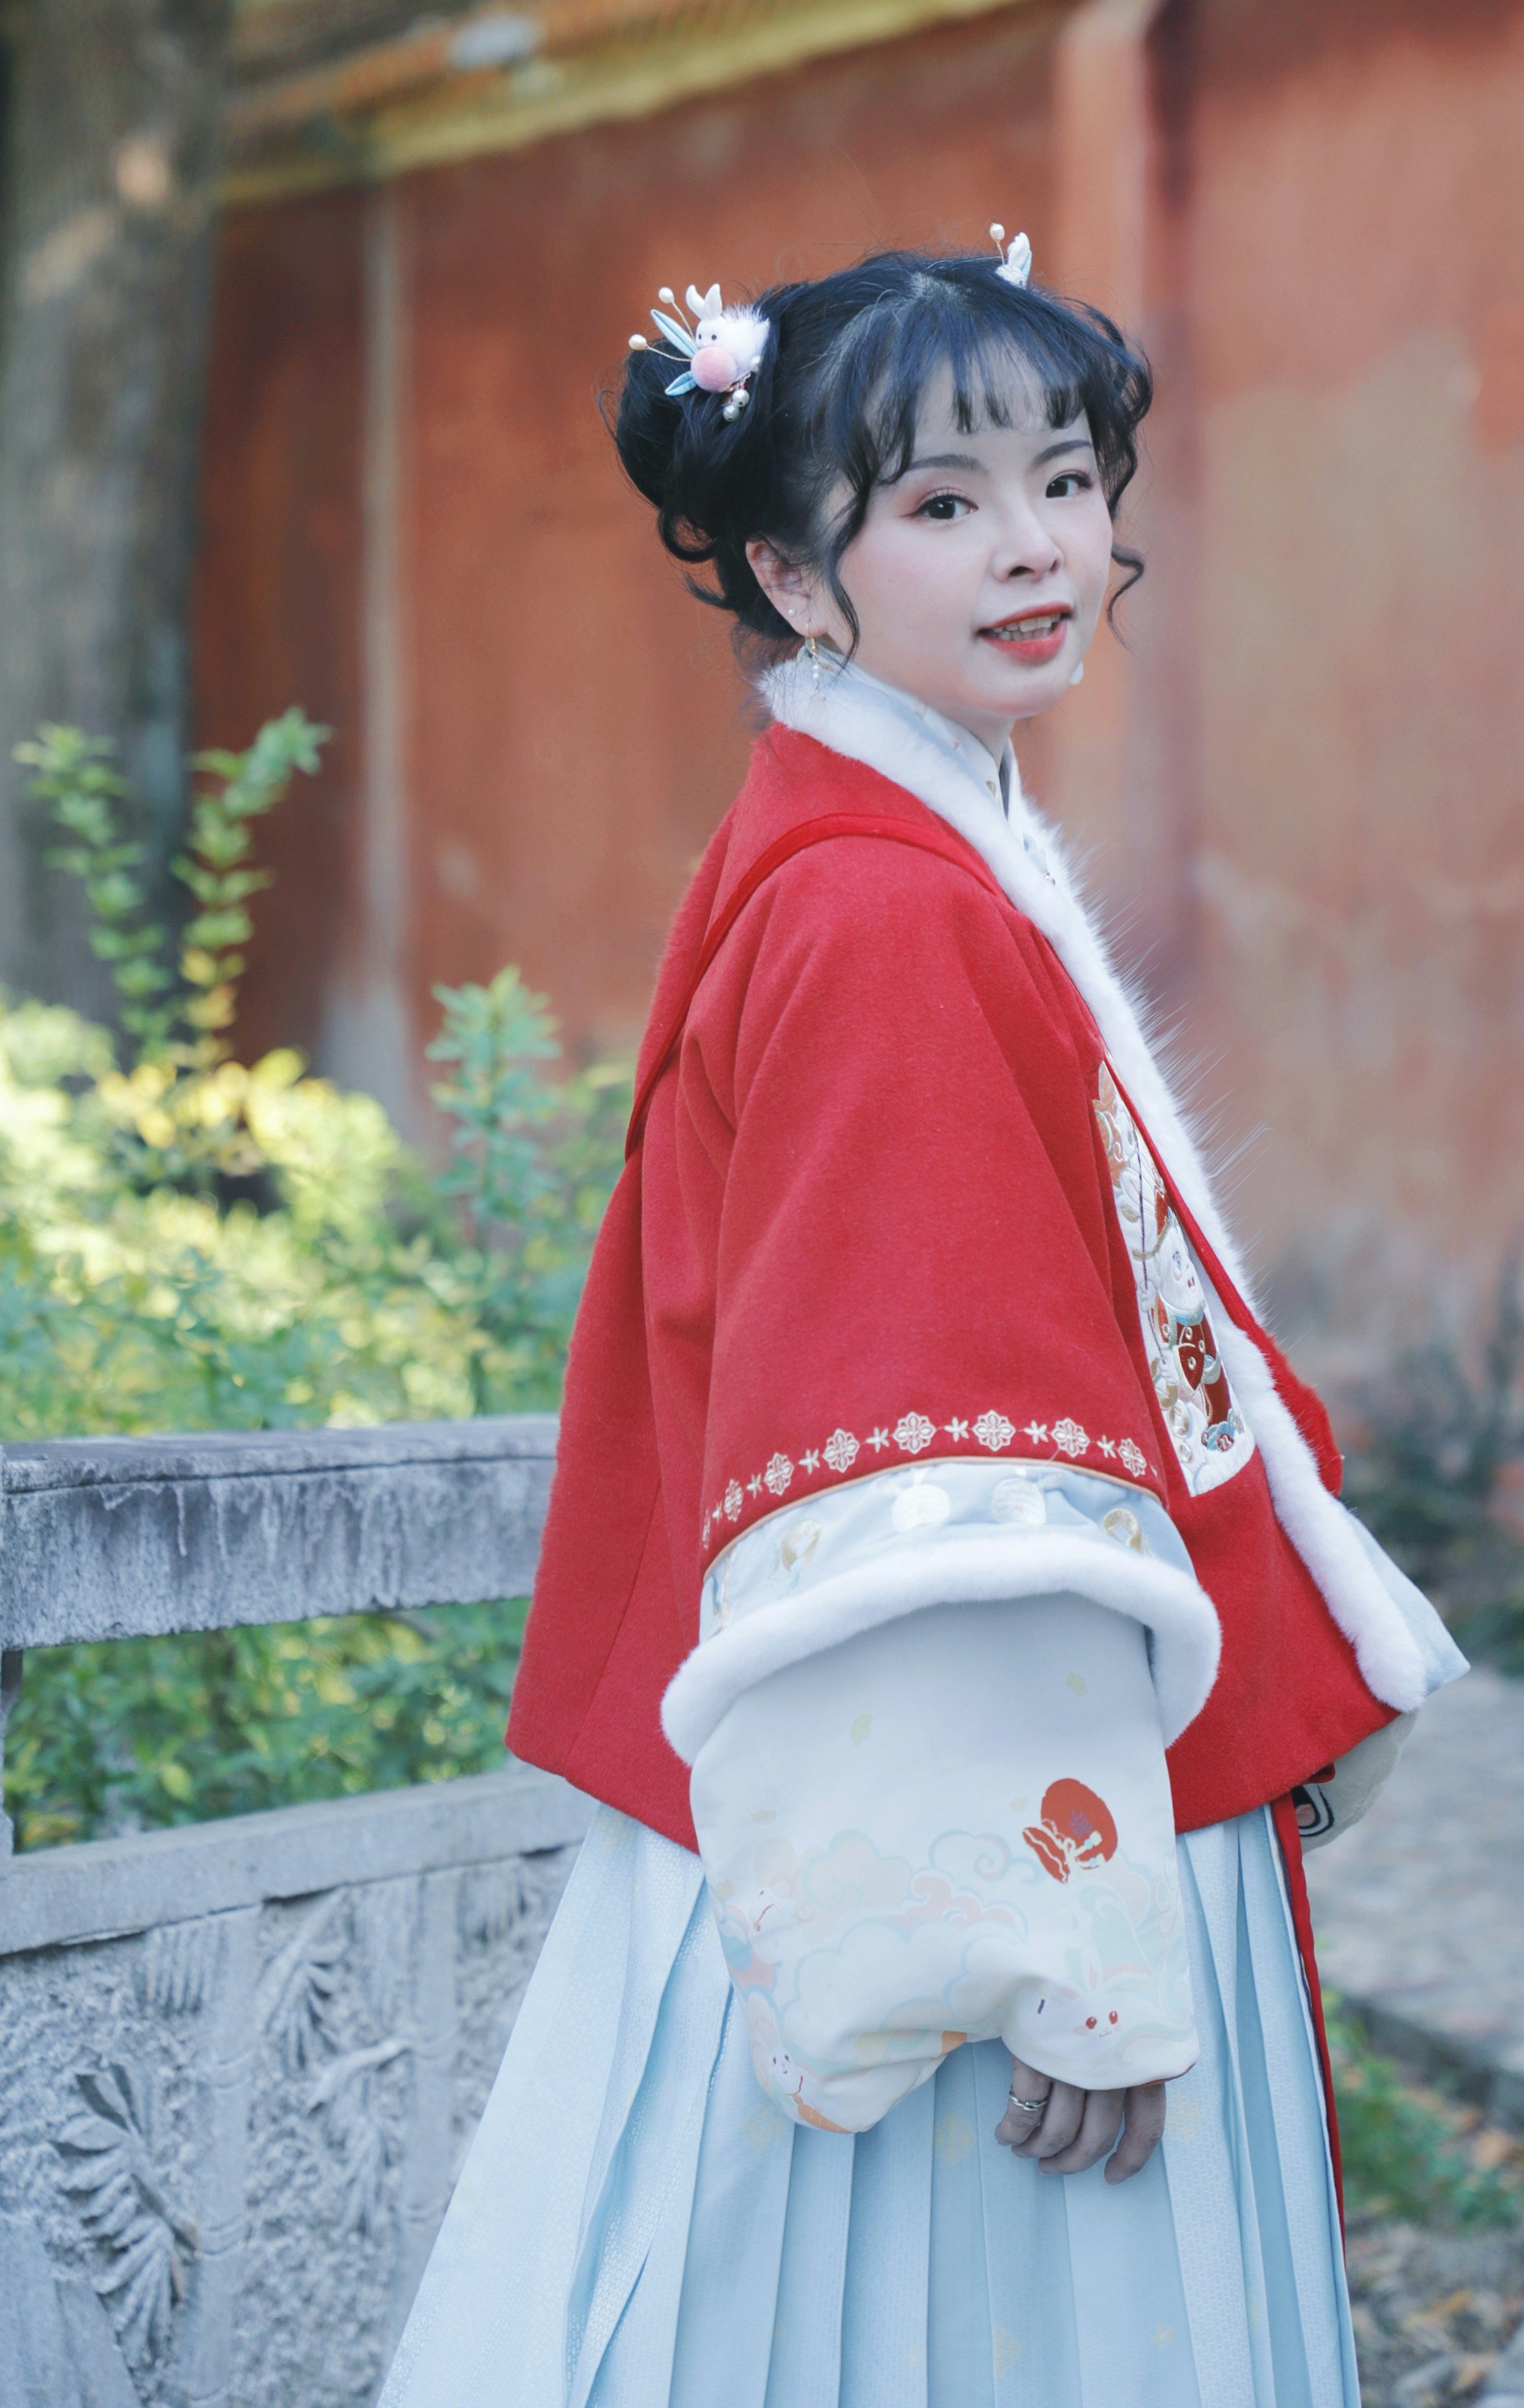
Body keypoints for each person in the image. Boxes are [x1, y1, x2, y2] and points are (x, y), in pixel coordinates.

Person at [383, 242, 1463, 2408]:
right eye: (944, 505)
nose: (1038, 544)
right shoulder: (884, 907)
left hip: (959, 1782)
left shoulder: (899, 839)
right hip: (966, 1843)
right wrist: (1053, 1938)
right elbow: (925, 1449)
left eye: (1062, 480)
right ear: (795, 574)